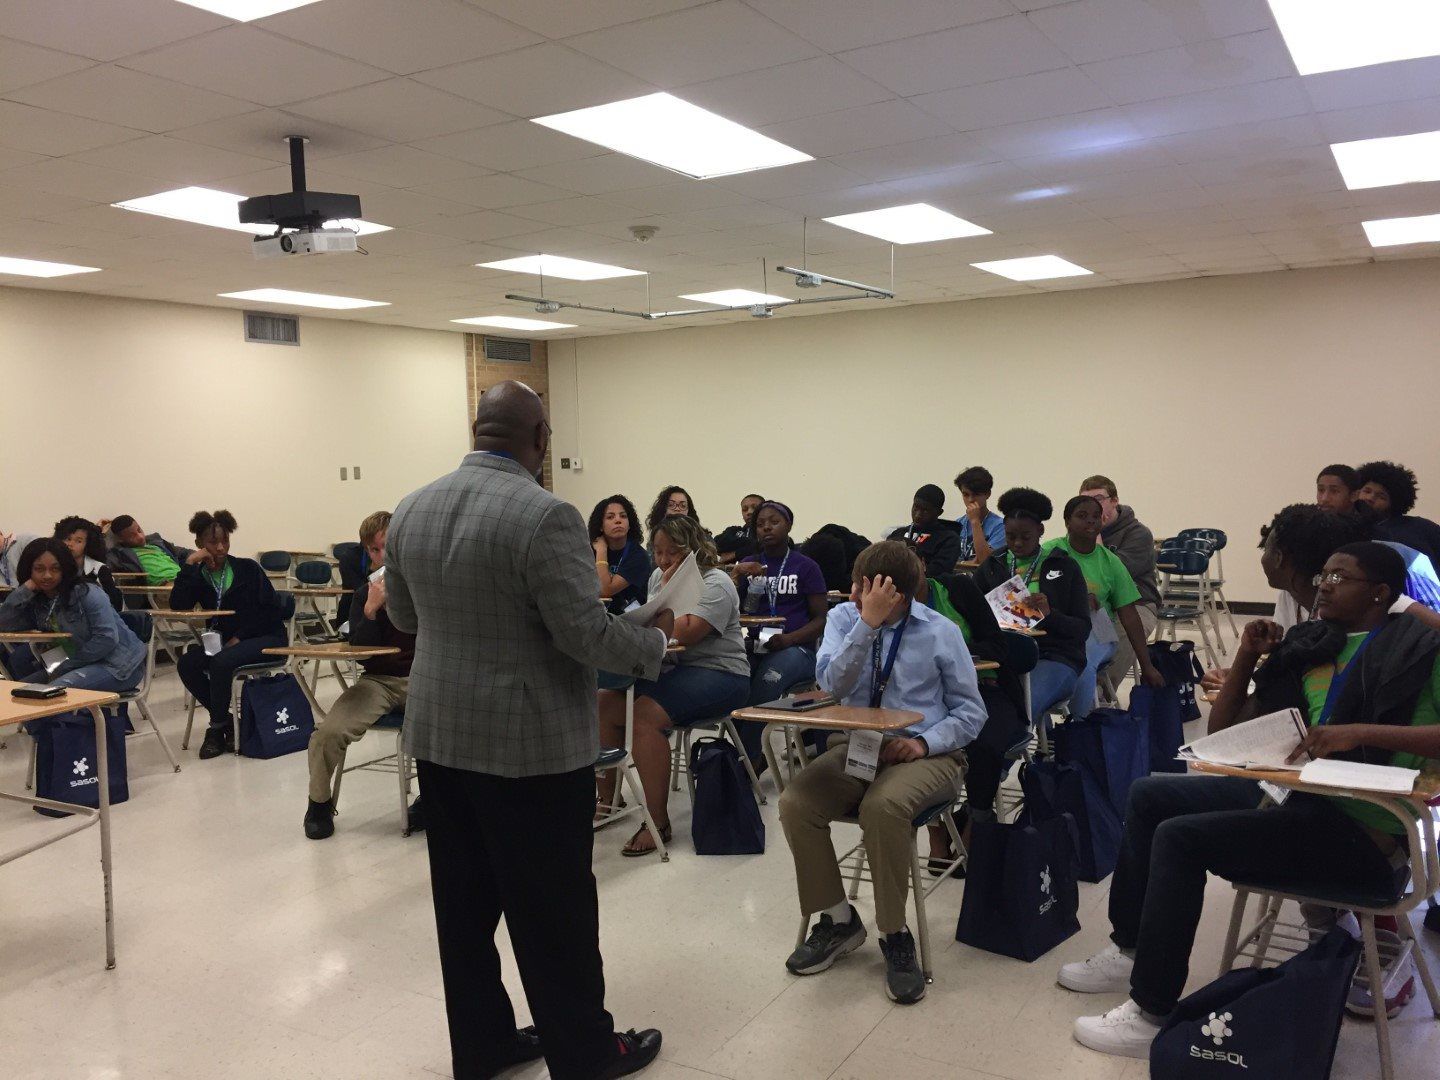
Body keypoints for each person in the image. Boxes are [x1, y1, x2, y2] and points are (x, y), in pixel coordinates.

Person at [384, 381, 670, 1080]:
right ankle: (586, 1055)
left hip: (442, 743)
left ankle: (482, 1046)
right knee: (556, 917)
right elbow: (582, 635)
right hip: (530, 752)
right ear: (540, 438)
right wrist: (652, 645)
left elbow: (403, 619)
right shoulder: (546, 516)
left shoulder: (410, 509)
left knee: (464, 909)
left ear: (477, 429)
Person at [1061, 542, 1440, 1059]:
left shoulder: (1420, 650)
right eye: (1324, 573)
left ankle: (1151, 1011)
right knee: (1150, 795)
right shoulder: (1316, 645)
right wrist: (1246, 656)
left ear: (1379, 593)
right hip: (1301, 798)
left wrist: (1356, 732)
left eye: (1340, 577)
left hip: (1364, 834)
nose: (1323, 584)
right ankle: (1131, 948)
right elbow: (1221, 730)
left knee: (1180, 839)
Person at [778, 541, 987, 1005]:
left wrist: (923, 743)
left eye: (871, 591)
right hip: (858, 748)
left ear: (903, 594)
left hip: (931, 754)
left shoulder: (941, 632)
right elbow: (831, 687)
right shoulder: (843, 620)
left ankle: (895, 934)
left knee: (884, 806)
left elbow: (972, 713)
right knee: (797, 802)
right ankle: (838, 919)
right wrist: (867, 626)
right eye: (857, 587)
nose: (857, 597)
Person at [596, 514, 750, 855]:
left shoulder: (716, 582)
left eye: (673, 551)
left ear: (694, 549)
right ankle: (609, 801)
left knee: (646, 716)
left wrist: (654, 617)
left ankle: (657, 821)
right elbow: (657, 626)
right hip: (676, 672)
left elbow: (688, 631)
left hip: (723, 673)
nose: (664, 560)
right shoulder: (657, 577)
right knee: (604, 703)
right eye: (658, 552)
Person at [303, 511, 419, 840]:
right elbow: (363, 652)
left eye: (391, 548)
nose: (386, 557)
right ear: (369, 553)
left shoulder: (420, 588)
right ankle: (319, 803)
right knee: (328, 732)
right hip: (379, 682)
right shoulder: (362, 595)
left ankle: (432, 799)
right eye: (378, 550)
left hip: (422, 679)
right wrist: (370, 610)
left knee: (450, 726)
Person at [914, 565, 1025, 858]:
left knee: (983, 743)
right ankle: (936, 828)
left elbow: (997, 646)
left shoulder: (958, 590)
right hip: (925, 696)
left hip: (984, 688)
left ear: (923, 567)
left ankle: (977, 819)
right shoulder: (885, 607)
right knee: (914, 743)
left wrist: (954, 648)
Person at [170, 511, 288, 760]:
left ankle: (215, 729)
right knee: (187, 663)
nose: (221, 547)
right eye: (213, 543)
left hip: (265, 635)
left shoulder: (248, 568)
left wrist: (240, 637)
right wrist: (189, 566)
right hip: (224, 642)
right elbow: (178, 605)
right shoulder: (199, 575)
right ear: (200, 544)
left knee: (222, 662)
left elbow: (269, 610)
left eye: (225, 541)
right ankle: (227, 721)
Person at [973, 488, 1090, 724]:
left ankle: (1005, 750)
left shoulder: (1064, 566)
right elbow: (972, 612)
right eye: (1010, 536)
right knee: (977, 708)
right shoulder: (993, 566)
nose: (1017, 543)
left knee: (1020, 709)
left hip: (1055, 656)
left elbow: (1082, 629)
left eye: (1025, 537)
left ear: (1041, 531)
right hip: (1004, 657)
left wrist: (1050, 615)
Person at [1043, 495, 1164, 715]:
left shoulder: (1111, 561)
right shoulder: (1050, 552)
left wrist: (1146, 665)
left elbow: (1129, 615)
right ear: (1067, 522)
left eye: (1096, 517)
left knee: (1083, 660)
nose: (1091, 521)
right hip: (1058, 625)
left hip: (1097, 629)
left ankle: (1079, 725)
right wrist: (1075, 598)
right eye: (1082, 516)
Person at [731, 502, 829, 752]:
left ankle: (746, 760)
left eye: (773, 522)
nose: (766, 527)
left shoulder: (806, 566)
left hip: (797, 648)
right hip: (757, 644)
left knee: (766, 683)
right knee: (734, 680)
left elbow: (820, 619)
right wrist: (736, 575)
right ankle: (742, 755)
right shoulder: (749, 564)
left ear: (788, 525)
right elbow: (731, 609)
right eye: (760, 523)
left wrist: (790, 639)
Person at [0, 537, 146, 693]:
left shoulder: (88, 593)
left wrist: (66, 666)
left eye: (55, 569)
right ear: (29, 570)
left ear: (65, 569)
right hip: (75, 664)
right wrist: (24, 590)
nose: (47, 575)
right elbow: (3, 623)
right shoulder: (38, 600)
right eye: (39, 569)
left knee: (44, 694)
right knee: (14, 694)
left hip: (118, 665)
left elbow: (106, 639)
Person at [1079, 476, 1158, 681]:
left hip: (1138, 604)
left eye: (1099, 498)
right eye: (1084, 500)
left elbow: (1110, 576)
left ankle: (1102, 698)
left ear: (1114, 501)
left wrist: (1094, 534)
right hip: (1096, 603)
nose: (1092, 506)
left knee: (1122, 636)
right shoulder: (1078, 531)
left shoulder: (1139, 534)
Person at [1355, 460, 1440, 567]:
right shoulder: (1345, 527)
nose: (1370, 498)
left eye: (1381, 496)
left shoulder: (1420, 528)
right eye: (1367, 491)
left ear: (1394, 504)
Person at [589, 495, 651, 616]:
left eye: (623, 516)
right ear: (601, 526)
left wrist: (602, 551)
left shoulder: (638, 556)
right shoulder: (589, 551)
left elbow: (605, 591)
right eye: (610, 517)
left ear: (629, 524)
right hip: (597, 616)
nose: (618, 520)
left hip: (632, 619)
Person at [887, 484, 962, 576]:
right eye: (916, 507)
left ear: (939, 512)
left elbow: (938, 571)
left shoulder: (948, 539)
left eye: (925, 511)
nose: (918, 515)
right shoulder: (898, 534)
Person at [54, 516, 123, 611]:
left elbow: (113, 604)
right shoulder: (53, 567)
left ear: (88, 544)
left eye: (78, 541)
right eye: (68, 539)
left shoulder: (99, 569)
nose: (70, 544)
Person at [103, 515, 193, 583]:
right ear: (120, 539)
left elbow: (185, 552)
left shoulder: (156, 542)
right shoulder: (119, 554)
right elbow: (101, 564)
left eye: (139, 530)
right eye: (132, 536)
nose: (141, 537)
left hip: (182, 580)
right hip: (163, 589)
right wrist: (100, 533)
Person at [953, 466, 1004, 564]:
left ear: (988, 494)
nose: (971, 500)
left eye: (976, 494)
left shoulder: (1000, 526)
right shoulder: (957, 524)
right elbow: (949, 563)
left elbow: (986, 560)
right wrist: (967, 563)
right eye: (966, 494)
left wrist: (975, 522)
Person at [644, 485, 699, 550]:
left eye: (683, 506)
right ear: (663, 509)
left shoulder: (702, 539)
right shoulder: (656, 539)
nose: (677, 509)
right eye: (671, 505)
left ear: (688, 511)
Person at [715, 493, 765, 565]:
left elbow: (765, 547)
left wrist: (735, 554)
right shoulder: (734, 530)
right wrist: (750, 546)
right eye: (745, 509)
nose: (749, 512)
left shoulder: (768, 531)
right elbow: (717, 543)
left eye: (754, 507)